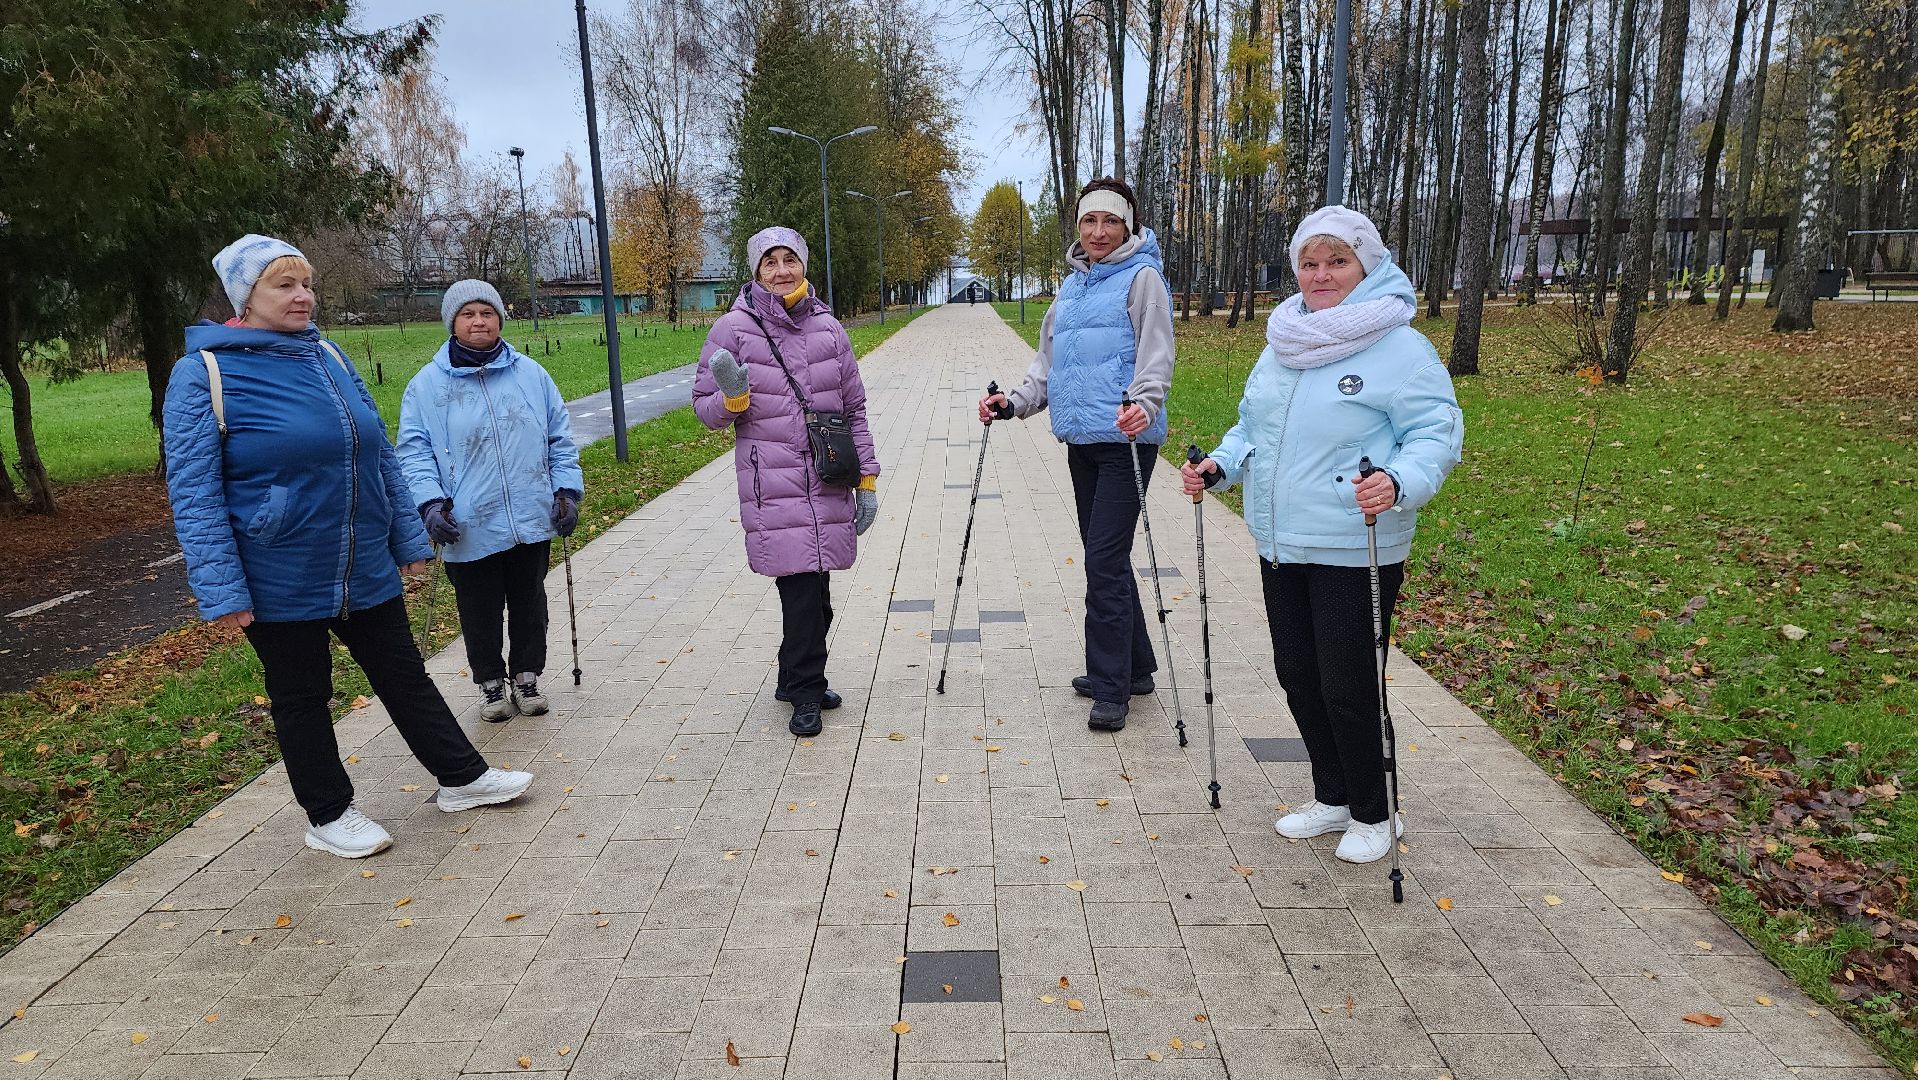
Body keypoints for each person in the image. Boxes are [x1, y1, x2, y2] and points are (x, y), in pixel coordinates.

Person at [163, 235, 534, 860]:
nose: (303, 295)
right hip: (277, 569)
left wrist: (406, 537)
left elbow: (379, 454)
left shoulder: (328, 356)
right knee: (302, 694)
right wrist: (222, 590)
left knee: (403, 674)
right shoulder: (205, 372)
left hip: (360, 559)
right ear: (244, 297)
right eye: (285, 285)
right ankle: (329, 813)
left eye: (306, 283)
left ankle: (461, 777)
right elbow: (193, 491)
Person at [1181, 206, 1463, 863]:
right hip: (1282, 541)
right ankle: (1333, 795)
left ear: (1368, 266)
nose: (1321, 274)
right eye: (1309, 262)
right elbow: (1253, 428)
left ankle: (1375, 811)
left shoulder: (1398, 346)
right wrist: (1220, 466)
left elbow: (1437, 432)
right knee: (1298, 676)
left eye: (1337, 261)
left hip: (1353, 541)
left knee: (1349, 683)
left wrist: (1398, 479)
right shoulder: (1286, 339)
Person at [978, 176, 1174, 732]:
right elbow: (1048, 365)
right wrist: (1012, 403)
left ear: (1128, 225)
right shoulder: (1072, 287)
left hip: (1126, 441)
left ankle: (1110, 687)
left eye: (1111, 221)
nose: (1099, 231)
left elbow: (1157, 355)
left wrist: (1144, 402)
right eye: (1090, 221)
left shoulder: (1143, 279)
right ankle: (1134, 668)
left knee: (1103, 560)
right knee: (1103, 553)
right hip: (1081, 441)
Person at [692, 226, 880, 737]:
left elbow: (854, 409)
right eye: (769, 263)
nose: (781, 271)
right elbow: (704, 411)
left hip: (829, 474)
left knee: (817, 594)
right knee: (800, 591)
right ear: (755, 272)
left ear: (803, 265)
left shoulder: (829, 330)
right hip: (772, 481)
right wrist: (731, 399)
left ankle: (792, 676)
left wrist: (867, 478)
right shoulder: (733, 329)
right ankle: (805, 690)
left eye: (788, 260)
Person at [395, 279, 583, 722]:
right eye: (467, 314)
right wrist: (429, 504)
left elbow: (559, 438)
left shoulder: (531, 375)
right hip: (468, 522)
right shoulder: (427, 386)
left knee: (529, 603)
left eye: (487, 313)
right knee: (478, 609)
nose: (478, 321)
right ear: (452, 323)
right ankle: (491, 685)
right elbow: (414, 451)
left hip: (530, 515)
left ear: (500, 318)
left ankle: (527, 677)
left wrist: (566, 491)